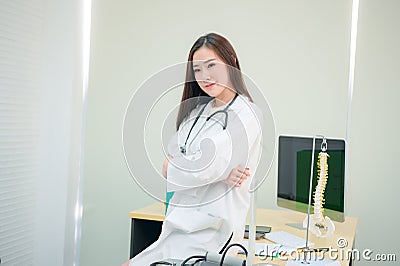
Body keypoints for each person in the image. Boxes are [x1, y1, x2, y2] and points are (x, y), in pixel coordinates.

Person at [124, 33, 262, 266]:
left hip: (212, 234)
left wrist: (203, 169)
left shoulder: (246, 113)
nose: (204, 76)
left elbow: (207, 165)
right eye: (197, 69)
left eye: (211, 66)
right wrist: (215, 172)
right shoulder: (199, 112)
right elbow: (172, 161)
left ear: (232, 62)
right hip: (179, 226)